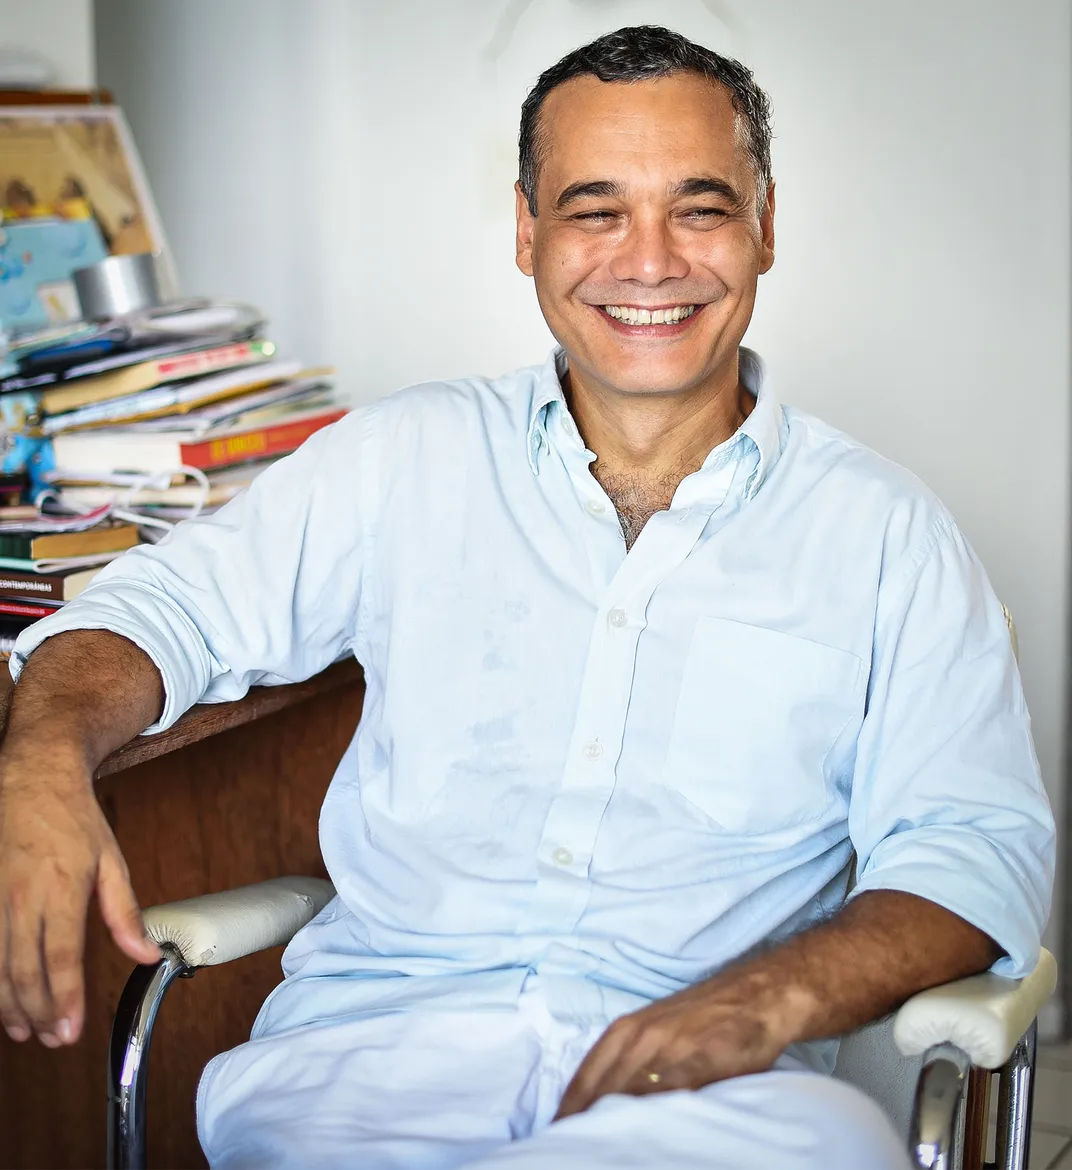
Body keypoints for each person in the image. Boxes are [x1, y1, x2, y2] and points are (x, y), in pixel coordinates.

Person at [0, 25, 1054, 1170]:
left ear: (763, 228)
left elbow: (972, 848)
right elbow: (156, 614)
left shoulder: (887, 533)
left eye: (698, 208)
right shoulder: (400, 459)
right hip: (365, 1079)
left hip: (711, 1103)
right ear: (526, 232)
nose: (648, 261)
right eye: (595, 209)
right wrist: (43, 762)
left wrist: (765, 1003)